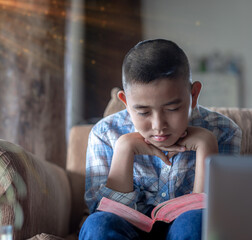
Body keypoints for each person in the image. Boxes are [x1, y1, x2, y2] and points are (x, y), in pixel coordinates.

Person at [79, 39, 242, 240]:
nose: (158, 125)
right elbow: (101, 210)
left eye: (172, 109)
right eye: (143, 112)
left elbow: (218, 215)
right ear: (126, 103)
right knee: (98, 224)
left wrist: (206, 145)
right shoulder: (104, 134)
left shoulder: (223, 131)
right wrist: (124, 148)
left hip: (185, 230)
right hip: (128, 232)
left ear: (193, 95)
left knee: (197, 221)